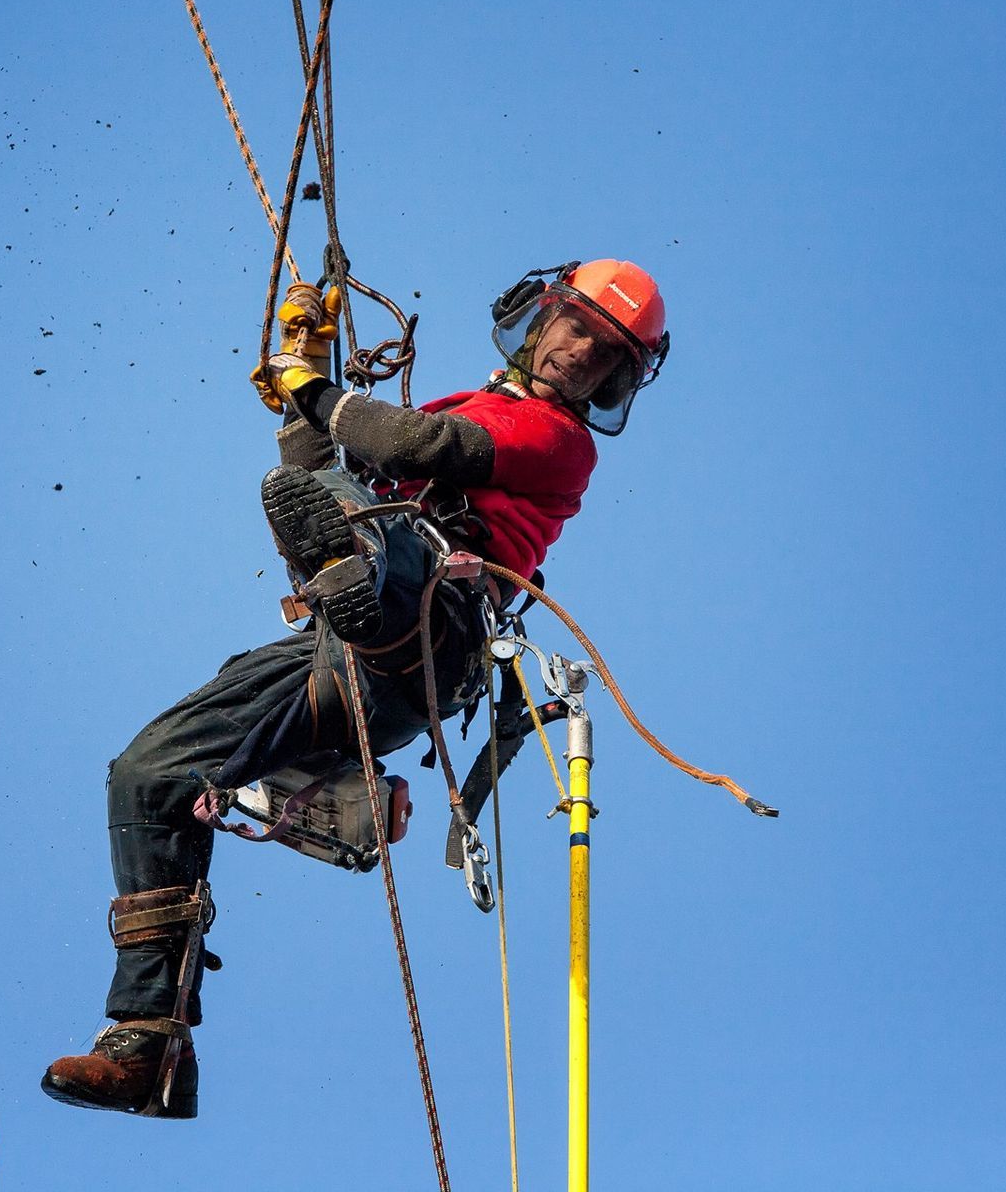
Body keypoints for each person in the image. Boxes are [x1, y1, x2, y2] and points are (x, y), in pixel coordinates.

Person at [41, 258, 671, 1118]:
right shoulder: (471, 400)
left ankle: (359, 587)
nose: (578, 355)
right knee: (148, 775)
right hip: (339, 648)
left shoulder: (563, 444)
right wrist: (309, 385)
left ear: (615, 380)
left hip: (435, 629)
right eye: (575, 329)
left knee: (386, 540)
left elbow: (419, 449)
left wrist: (319, 394)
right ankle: (150, 1044)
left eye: (603, 355)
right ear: (541, 318)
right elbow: (317, 474)